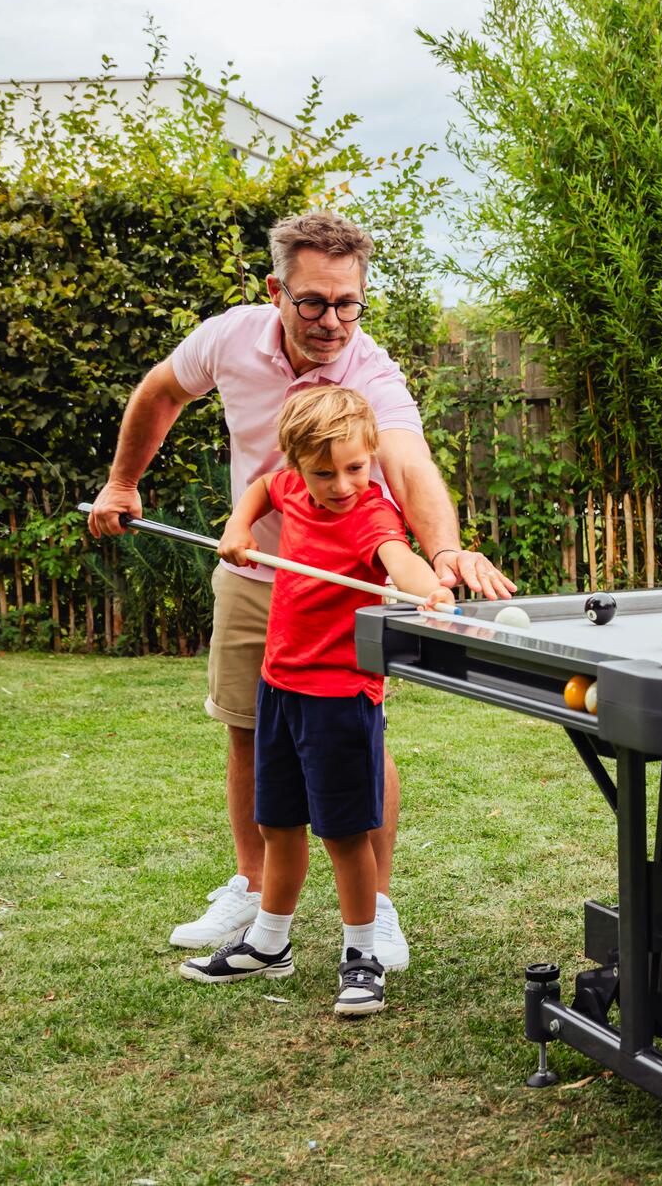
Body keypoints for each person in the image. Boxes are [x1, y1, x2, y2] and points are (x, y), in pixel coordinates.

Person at [87, 211, 515, 967]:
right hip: (255, 576)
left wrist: (443, 551)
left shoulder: (371, 372)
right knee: (248, 730)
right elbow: (160, 392)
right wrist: (124, 481)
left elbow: (411, 466)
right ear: (275, 289)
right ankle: (255, 892)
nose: (332, 321)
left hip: (347, 586)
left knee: (360, 739)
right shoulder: (228, 338)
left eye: (349, 302)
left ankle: (374, 906)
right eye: (314, 301)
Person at [180, 387, 453, 1015]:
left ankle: (362, 955)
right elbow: (262, 490)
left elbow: (398, 559)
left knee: (344, 832)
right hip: (280, 686)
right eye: (323, 471)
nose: (340, 483)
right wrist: (237, 524)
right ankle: (269, 943)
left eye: (355, 467)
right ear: (299, 464)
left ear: (371, 456)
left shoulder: (371, 515)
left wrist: (429, 587)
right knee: (276, 823)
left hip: (339, 696)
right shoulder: (292, 489)